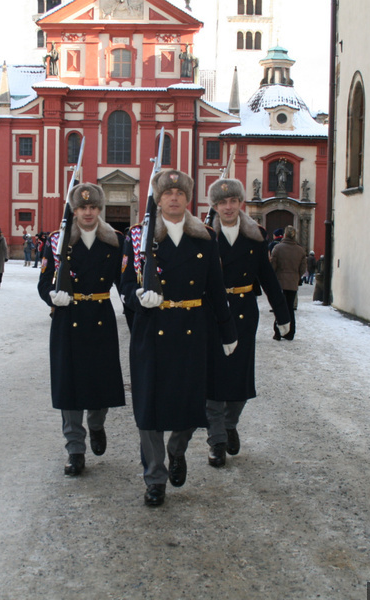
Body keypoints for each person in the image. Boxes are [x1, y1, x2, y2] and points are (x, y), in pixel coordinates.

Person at [120, 169, 237, 507]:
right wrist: (138, 298)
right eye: (167, 193)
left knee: (189, 403)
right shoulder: (139, 237)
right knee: (149, 407)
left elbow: (215, 288)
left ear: (188, 200)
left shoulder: (204, 237)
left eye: (180, 193)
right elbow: (125, 283)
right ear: (158, 199)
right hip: (151, 332)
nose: (173, 198)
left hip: (192, 330)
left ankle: (177, 448)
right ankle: (154, 478)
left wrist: (228, 330)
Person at [38, 183, 126, 476]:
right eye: (82, 207)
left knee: (101, 381)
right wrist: (52, 294)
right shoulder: (58, 241)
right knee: (69, 385)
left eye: (93, 207)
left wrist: (137, 300)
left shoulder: (115, 241)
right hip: (68, 319)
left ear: (99, 210)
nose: (87, 212)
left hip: (100, 316)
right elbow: (44, 281)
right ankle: (75, 448)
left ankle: (97, 423)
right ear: (74, 210)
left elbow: (123, 282)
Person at [204, 179, 292, 467]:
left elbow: (267, 278)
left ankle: (230, 423)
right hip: (213, 315)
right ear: (214, 206)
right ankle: (216, 440)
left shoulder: (255, 236)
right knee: (213, 380)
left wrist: (283, 315)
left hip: (243, 313)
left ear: (240, 203)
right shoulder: (203, 236)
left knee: (240, 379)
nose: (228, 207)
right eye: (222, 202)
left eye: (233, 201)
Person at [270, 225, 307, 341]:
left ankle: (278, 333)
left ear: (285, 235)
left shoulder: (278, 248)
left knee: (280, 307)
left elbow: (273, 266)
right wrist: (296, 277)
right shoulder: (300, 250)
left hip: (280, 283)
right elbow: (302, 269)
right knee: (290, 308)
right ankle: (290, 333)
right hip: (292, 284)